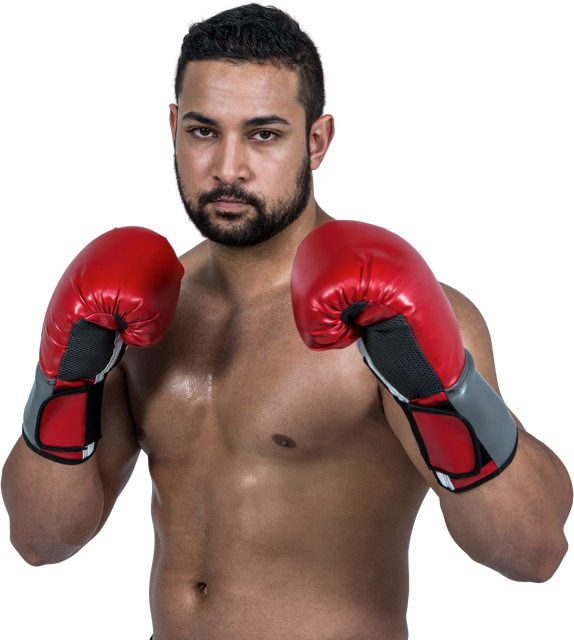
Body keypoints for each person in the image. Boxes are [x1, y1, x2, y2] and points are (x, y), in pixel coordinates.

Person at [2, 2, 572, 639]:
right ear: (171, 127)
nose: (228, 167)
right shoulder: (134, 310)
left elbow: (535, 552)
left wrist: (438, 388)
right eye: (203, 131)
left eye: (263, 134)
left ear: (319, 139)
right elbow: (41, 539)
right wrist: (64, 376)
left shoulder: (396, 317)